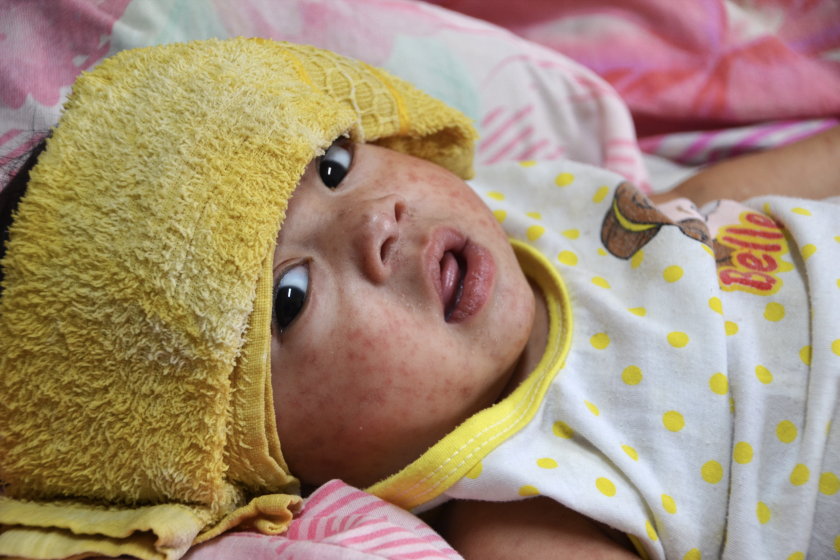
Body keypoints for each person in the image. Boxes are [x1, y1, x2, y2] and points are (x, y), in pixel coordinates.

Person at [0, 38, 838, 560]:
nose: (375, 220)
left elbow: (706, 207)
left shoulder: (511, 211)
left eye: (331, 166)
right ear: (265, 459)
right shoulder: (526, 502)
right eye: (288, 296)